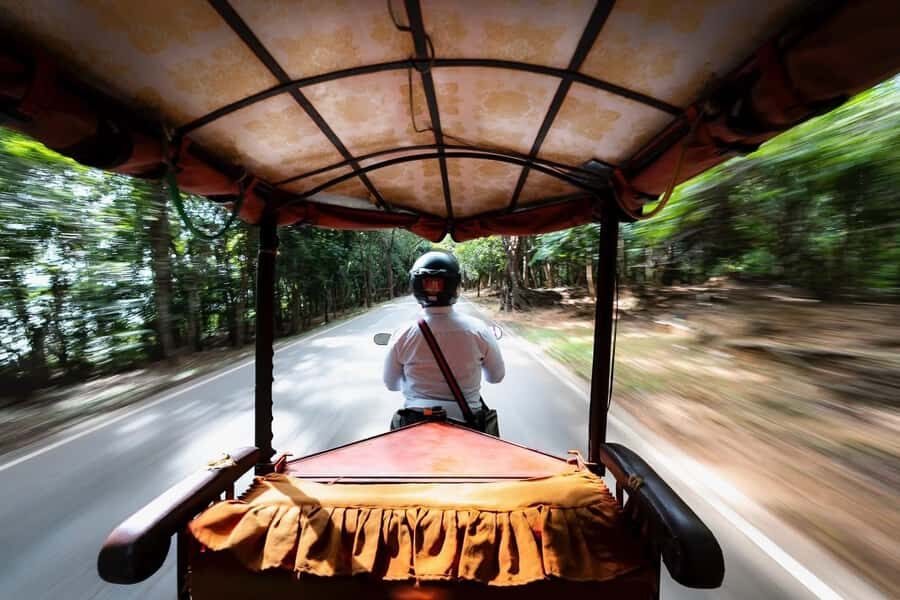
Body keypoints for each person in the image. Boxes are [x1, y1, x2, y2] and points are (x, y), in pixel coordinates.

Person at [383, 251, 505, 426]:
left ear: (416, 287)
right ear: (455, 285)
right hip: (468, 419)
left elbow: (391, 385)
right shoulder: (479, 330)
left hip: (416, 419)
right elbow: (496, 377)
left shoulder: (403, 334)